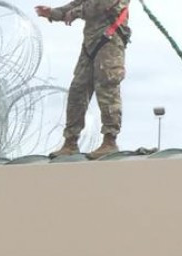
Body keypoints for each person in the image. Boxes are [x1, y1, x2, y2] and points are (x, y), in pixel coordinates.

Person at [35, 0, 131, 159]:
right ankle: (70, 142)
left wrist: (74, 13)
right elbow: (77, 4)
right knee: (78, 90)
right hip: (90, 44)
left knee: (107, 88)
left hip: (110, 40)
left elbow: (101, 5)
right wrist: (53, 13)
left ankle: (109, 140)